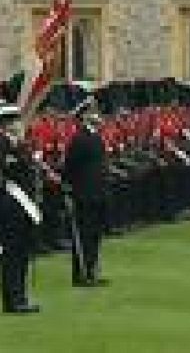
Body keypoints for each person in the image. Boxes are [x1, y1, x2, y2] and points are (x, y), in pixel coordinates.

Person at [0, 105, 40, 314]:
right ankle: (13, 300)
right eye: (17, 121)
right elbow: (4, 168)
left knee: (21, 252)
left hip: (22, 204)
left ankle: (20, 296)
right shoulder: (1, 144)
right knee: (12, 254)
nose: (21, 124)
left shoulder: (18, 143)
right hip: (12, 204)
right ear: (7, 124)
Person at [63, 95, 107, 286]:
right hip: (84, 193)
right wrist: (70, 188)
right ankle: (81, 274)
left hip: (97, 192)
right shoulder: (79, 138)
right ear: (84, 116)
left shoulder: (95, 135)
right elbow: (70, 167)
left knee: (95, 234)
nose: (97, 115)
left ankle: (92, 269)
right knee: (84, 234)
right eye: (92, 112)